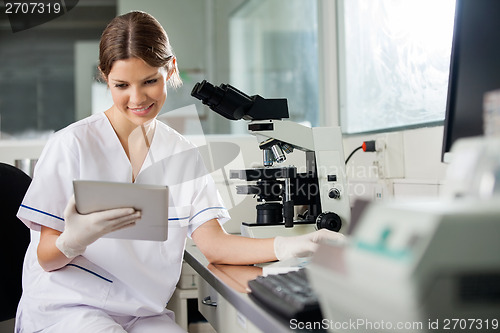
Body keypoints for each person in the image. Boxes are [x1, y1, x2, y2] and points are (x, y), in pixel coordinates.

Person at [15, 11, 345, 333]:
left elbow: (214, 244)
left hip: (142, 313)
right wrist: (72, 241)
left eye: (149, 81)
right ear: (105, 77)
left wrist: (289, 247)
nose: (137, 98)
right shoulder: (71, 144)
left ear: (170, 69)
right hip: (70, 308)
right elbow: (47, 259)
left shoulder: (181, 151)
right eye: (121, 85)